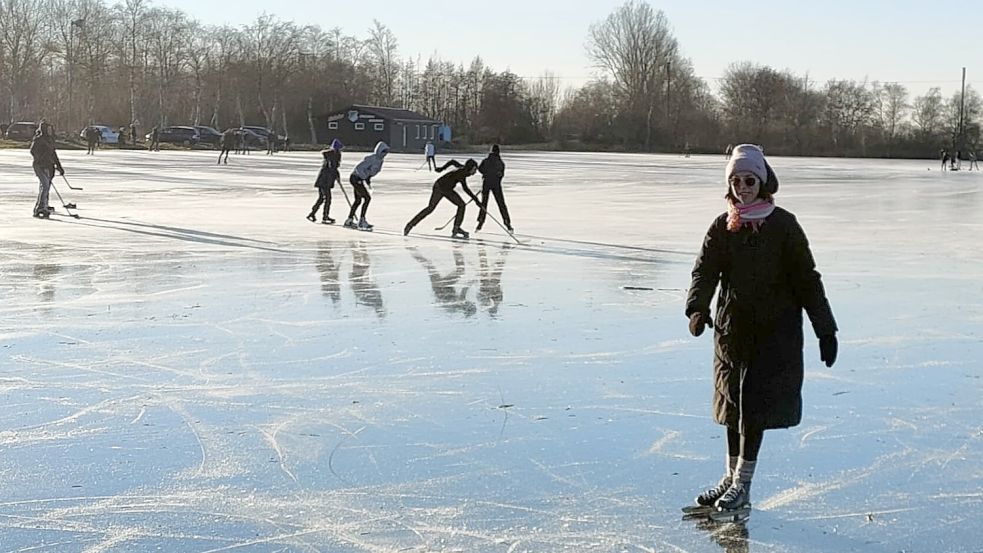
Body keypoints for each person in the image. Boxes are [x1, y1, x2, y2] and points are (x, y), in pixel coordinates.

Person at [685, 144, 838, 519]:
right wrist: (697, 308)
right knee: (731, 405)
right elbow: (705, 271)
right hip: (731, 330)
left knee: (753, 407)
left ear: (763, 181)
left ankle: (743, 484)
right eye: (735, 181)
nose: (742, 187)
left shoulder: (784, 225)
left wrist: (825, 329)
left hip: (773, 333)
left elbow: (807, 279)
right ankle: (729, 477)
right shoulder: (722, 226)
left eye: (749, 180)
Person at [403, 158, 482, 239]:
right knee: (461, 205)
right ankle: (456, 228)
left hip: (440, 186)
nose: (475, 172)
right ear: (470, 168)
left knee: (431, 208)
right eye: (474, 169)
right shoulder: (461, 173)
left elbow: (452, 161)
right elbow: (466, 189)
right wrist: (477, 201)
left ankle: (410, 225)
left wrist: (442, 168)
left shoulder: (463, 168)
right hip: (442, 188)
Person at [344, 141, 389, 230]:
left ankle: (349, 220)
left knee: (358, 200)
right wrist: (363, 178)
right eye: (384, 152)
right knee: (367, 198)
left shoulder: (380, 161)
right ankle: (361, 220)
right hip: (356, 178)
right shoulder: (371, 158)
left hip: (359, 179)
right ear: (379, 151)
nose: (385, 154)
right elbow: (359, 168)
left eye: (386, 152)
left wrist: (368, 180)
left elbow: (370, 172)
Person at [30, 122, 65, 219]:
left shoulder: (50, 140)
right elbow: (32, 151)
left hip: (49, 166)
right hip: (40, 166)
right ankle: (40, 208)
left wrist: (59, 167)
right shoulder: (39, 139)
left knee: (45, 186)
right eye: (48, 129)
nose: (50, 131)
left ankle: (44, 204)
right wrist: (40, 158)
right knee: (45, 185)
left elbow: (54, 154)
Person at [476, 144, 513, 233]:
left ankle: (480, 222)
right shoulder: (501, 163)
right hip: (496, 185)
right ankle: (507, 222)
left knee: (484, 203)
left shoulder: (486, 161)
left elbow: (480, 169)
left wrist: (486, 174)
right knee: (501, 203)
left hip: (486, 184)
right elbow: (501, 175)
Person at [308, 138, 343, 224]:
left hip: (324, 180)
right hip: (325, 181)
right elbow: (333, 168)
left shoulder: (333, 156)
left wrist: (337, 176)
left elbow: (334, 169)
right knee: (327, 198)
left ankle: (312, 214)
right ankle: (325, 216)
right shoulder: (332, 156)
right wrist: (336, 176)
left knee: (321, 198)